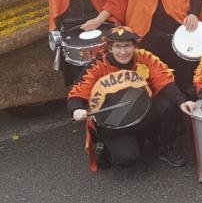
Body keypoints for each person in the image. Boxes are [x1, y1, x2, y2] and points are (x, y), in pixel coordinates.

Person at [68, 26, 195, 170]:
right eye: (118, 46)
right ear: (109, 48)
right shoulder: (97, 65)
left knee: (169, 105)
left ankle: (165, 147)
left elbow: (164, 80)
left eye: (127, 46)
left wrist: (181, 101)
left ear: (135, 46)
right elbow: (79, 89)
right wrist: (77, 107)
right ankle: (109, 144)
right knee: (126, 158)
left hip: (142, 111)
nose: (123, 52)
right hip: (114, 122)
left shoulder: (145, 58)